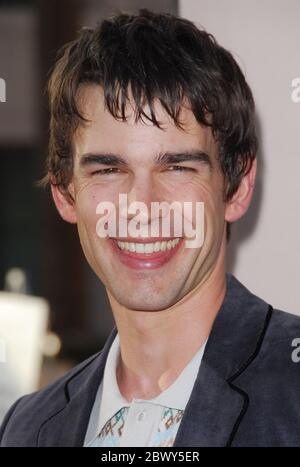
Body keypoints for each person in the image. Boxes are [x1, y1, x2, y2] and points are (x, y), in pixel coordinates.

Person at [1, 9, 300, 448]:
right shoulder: (26, 429)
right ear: (65, 193)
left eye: (177, 167)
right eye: (108, 170)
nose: (140, 207)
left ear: (236, 187)